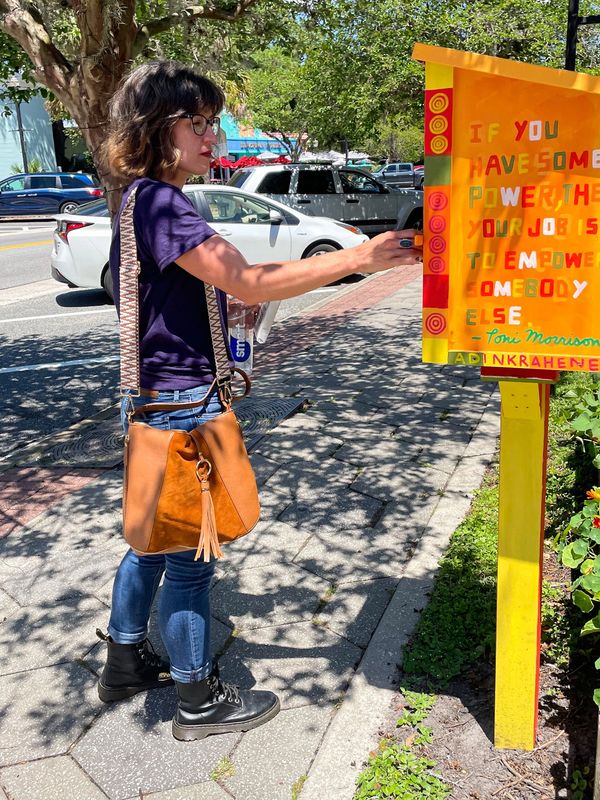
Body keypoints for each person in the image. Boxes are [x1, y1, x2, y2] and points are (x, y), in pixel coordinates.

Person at [98, 60, 423, 743]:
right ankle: (196, 701)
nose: (210, 137)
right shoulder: (159, 201)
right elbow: (248, 280)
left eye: (213, 122)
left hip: (159, 396)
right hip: (184, 406)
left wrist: (220, 310)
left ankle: (124, 662)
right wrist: (360, 257)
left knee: (149, 544)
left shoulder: (138, 197)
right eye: (196, 122)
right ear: (157, 127)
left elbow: (200, 291)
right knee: (190, 559)